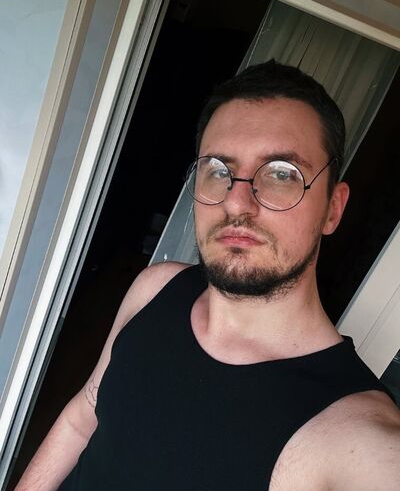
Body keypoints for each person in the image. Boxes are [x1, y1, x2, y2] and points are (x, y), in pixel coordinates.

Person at [16, 60, 400, 490]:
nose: (236, 203)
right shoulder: (155, 288)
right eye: (219, 170)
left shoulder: (354, 432)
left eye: (281, 173)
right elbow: (82, 418)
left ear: (333, 208)